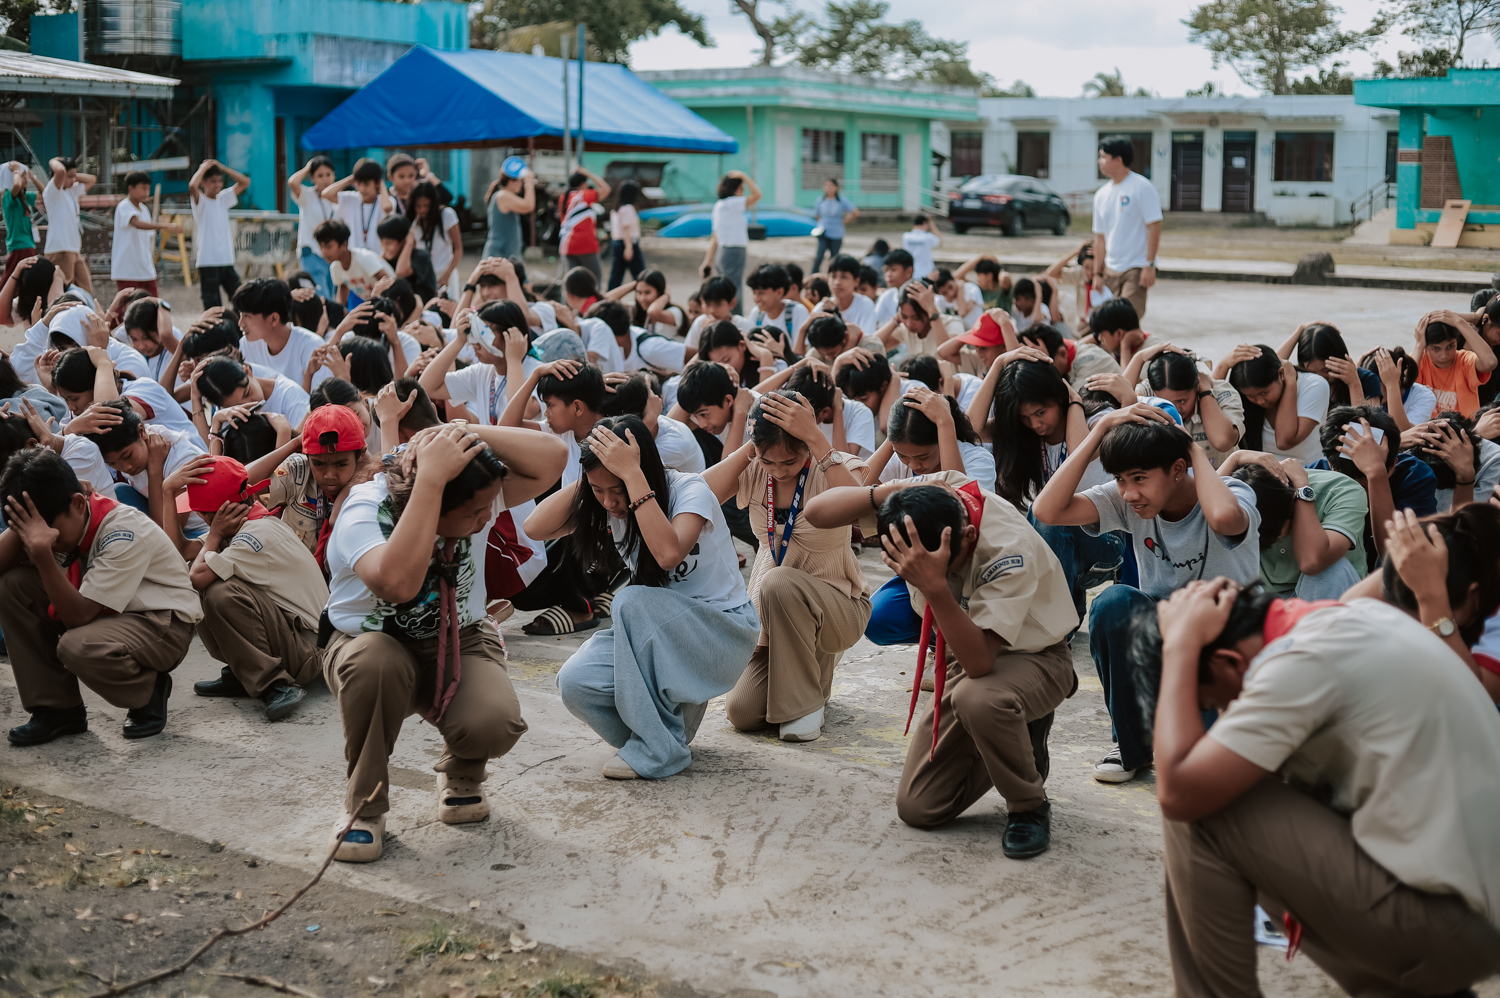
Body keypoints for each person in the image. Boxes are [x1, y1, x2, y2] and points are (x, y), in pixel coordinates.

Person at [1129, 529, 1500, 997]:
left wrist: (1180, 645)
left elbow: (1180, 791)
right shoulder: (1343, 617)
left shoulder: (1299, 663)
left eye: (1211, 701)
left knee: (1200, 807)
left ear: (1225, 664)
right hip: (1473, 921)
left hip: (1449, 927)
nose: (1221, 713)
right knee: (1260, 793)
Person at [322, 422, 566, 862]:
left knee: (494, 722)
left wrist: (455, 431)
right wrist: (430, 482)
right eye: (476, 512)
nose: (486, 519)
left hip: (459, 637)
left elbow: (552, 457)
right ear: (433, 501)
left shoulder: (471, 494)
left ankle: (461, 772)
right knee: (376, 662)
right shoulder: (366, 508)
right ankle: (364, 807)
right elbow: (396, 584)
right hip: (369, 642)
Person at [804, 470, 1079, 858]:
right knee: (920, 807)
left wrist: (934, 587)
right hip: (963, 652)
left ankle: (1028, 805)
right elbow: (816, 512)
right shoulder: (933, 499)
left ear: (966, 537)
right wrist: (895, 493)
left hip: (1034, 656)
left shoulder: (1005, 550)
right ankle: (1014, 733)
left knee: (979, 699)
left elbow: (982, 662)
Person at [1032, 405, 1260, 784]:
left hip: (1226, 633)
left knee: (1202, 769)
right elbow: (1047, 510)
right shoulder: (1127, 500)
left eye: (1139, 478)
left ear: (1177, 468)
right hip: (1164, 624)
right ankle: (1131, 746)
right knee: (1113, 603)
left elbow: (1224, 520)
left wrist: (1195, 451)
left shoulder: (1231, 491)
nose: (1129, 492)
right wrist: (1101, 429)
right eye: (1120, 479)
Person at [531, 416, 760, 780]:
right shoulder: (608, 504)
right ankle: (664, 739)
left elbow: (668, 554)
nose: (609, 501)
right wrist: (596, 474)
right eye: (598, 490)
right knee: (576, 682)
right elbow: (535, 526)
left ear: (641, 469)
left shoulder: (689, 490)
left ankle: (656, 750)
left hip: (722, 634)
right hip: (663, 635)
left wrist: (633, 475)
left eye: (615, 489)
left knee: (629, 601)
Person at [686, 391, 870, 742]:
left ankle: (804, 705)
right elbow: (699, 493)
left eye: (791, 461)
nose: (781, 471)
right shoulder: (756, 468)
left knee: (780, 581)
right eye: (771, 462)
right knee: (742, 713)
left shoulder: (832, 466)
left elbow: (859, 507)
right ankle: (805, 681)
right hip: (771, 609)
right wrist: (751, 447)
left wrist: (816, 437)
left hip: (835, 602)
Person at [0, 448, 202, 745]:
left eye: (50, 530)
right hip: (107, 612)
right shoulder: (61, 512)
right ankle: (58, 710)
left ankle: (148, 689)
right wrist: (23, 531)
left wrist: (42, 553)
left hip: (160, 622)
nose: (42, 538)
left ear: (78, 504)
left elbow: (78, 616)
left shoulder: (122, 531)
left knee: (78, 646)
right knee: (11, 586)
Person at [181, 456, 327, 721]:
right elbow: (181, 549)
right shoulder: (245, 525)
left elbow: (197, 578)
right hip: (297, 640)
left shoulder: (255, 533)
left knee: (219, 591)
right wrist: (167, 490)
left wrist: (213, 536)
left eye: (200, 513)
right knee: (204, 563)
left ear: (213, 516)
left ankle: (274, 684)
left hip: (310, 651)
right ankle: (245, 671)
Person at [1220, 454, 1367, 599]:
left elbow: (1312, 562)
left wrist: (1303, 489)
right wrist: (1236, 457)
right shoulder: (1237, 499)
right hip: (1263, 596)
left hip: (1326, 596)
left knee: (1331, 569)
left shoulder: (1342, 490)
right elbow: (1198, 512)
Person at [1315, 404, 1436, 562]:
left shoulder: (1414, 476)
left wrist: (1376, 474)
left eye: (1362, 485)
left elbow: (1399, 557)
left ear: (1392, 466)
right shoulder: (1317, 474)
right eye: (1348, 483)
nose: (1356, 492)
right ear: (1330, 465)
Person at [1126, 344, 1243, 467]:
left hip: (1222, 479)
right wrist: (1139, 358)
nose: (1174, 409)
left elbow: (1222, 442)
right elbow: (1117, 409)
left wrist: (1206, 393)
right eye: (1165, 401)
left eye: (1181, 401)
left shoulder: (1221, 392)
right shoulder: (1147, 391)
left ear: (1196, 385)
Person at [1219, 344, 1329, 465]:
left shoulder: (1314, 385)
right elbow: (1212, 410)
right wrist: (1223, 366)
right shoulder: (1250, 401)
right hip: (1261, 474)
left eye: (1264, 392)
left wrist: (1290, 383)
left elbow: (1284, 441)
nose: (1260, 401)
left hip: (1311, 471)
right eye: (1250, 396)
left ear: (1282, 374)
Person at [1092, 135, 1161, 319]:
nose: (1100, 161)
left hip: (1135, 267)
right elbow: (1100, 238)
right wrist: (1097, 274)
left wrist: (1150, 265)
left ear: (1118, 159)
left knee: (1127, 321)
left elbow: (1155, 226)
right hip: (1110, 269)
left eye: (1103, 156)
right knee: (1108, 324)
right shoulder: (1101, 195)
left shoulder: (1142, 187)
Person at [232, 278, 331, 390]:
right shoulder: (246, 345)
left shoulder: (311, 346)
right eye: (240, 314)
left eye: (247, 316)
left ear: (274, 319)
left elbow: (321, 402)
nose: (241, 323)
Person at [1278, 321, 1383, 410]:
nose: (1321, 378)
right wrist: (1301, 329)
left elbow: (1370, 429)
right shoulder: (1300, 379)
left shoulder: (1367, 380)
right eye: (1313, 373)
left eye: (1326, 370)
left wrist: (1354, 384)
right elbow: (1272, 368)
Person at [188, 159, 250, 310]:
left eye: (219, 181)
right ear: (204, 183)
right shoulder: (200, 201)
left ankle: (238, 327)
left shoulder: (223, 198)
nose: (217, 184)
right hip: (208, 261)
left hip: (226, 259)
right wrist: (203, 168)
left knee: (240, 297)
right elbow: (192, 186)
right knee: (212, 302)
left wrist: (223, 168)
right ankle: (216, 332)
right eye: (212, 181)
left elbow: (245, 182)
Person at [110, 170, 180, 298]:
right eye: (143, 188)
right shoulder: (124, 206)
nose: (146, 192)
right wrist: (166, 226)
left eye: (148, 188)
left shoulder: (144, 209)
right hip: (127, 269)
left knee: (153, 304)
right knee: (127, 308)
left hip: (145, 267)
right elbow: (137, 223)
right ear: (131, 188)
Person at [700, 171, 761, 314]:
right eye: (742, 187)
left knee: (725, 287)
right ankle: (734, 320)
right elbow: (758, 195)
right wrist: (745, 176)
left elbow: (715, 237)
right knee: (733, 289)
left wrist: (708, 260)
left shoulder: (719, 206)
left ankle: (724, 316)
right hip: (734, 250)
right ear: (738, 188)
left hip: (723, 251)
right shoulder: (733, 203)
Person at [1414, 310, 1496, 417]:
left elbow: (1490, 363)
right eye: (1436, 349)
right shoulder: (1420, 359)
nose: (1444, 355)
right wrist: (1419, 344)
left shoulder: (1464, 361)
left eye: (1450, 346)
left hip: (1464, 431)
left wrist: (1459, 322)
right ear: (1426, 347)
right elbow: (1405, 384)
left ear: (1456, 342)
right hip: (1427, 432)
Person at [42, 156, 97, 297]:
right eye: (70, 176)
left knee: (86, 291)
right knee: (61, 294)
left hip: (73, 249)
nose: (73, 180)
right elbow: (60, 171)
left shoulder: (71, 191)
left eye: (74, 176)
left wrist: (72, 175)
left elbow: (92, 179)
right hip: (60, 250)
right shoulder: (53, 191)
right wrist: (52, 161)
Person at [287, 156, 339, 298]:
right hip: (312, 252)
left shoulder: (339, 197)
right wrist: (308, 167)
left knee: (332, 296)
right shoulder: (307, 195)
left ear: (334, 175)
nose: (325, 179)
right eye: (319, 175)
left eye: (328, 174)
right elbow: (292, 182)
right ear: (312, 178)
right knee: (320, 296)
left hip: (333, 255)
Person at [316, 219, 395, 308]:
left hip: (391, 301)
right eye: (321, 246)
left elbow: (388, 281)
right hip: (375, 303)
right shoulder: (335, 267)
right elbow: (343, 287)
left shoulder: (364, 258)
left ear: (344, 245)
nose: (324, 251)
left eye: (328, 246)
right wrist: (340, 309)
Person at [324, 158, 393, 256]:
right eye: (358, 183)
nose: (362, 188)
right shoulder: (351, 198)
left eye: (366, 184)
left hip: (378, 257)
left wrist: (382, 186)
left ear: (377, 183)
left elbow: (387, 208)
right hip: (354, 257)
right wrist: (350, 179)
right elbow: (326, 194)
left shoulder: (384, 200)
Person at [406, 182, 462, 299]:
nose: (422, 210)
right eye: (418, 206)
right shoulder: (413, 223)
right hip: (425, 278)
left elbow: (458, 249)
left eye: (426, 205)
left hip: (446, 274)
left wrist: (447, 275)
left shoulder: (447, 215)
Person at [559, 168, 613, 282]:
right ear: (583, 184)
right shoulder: (583, 196)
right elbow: (606, 189)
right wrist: (589, 174)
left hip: (567, 245)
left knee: (572, 281)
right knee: (594, 278)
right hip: (585, 245)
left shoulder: (564, 197)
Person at [482, 159, 534, 263]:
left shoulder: (503, 195)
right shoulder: (503, 196)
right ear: (511, 182)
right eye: (520, 180)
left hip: (507, 255)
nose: (521, 184)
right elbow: (528, 206)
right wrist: (529, 183)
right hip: (500, 256)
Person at [744, 264, 810, 342]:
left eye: (761, 293)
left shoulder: (797, 311)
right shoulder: (756, 314)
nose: (756, 298)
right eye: (754, 293)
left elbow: (801, 352)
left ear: (779, 292)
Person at [1, 162, 38, 288]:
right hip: (19, 246)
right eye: (22, 176)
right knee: (8, 283)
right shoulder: (7, 197)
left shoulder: (26, 197)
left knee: (23, 283)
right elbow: (16, 185)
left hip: (27, 245)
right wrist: (16, 171)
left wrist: (33, 178)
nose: (25, 178)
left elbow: (44, 194)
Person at [811, 178, 858, 273]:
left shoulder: (841, 201)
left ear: (836, 188)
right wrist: (822, 223)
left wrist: (845, 221)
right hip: (823, 232)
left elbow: (855, 212)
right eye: (826, 186)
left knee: (834, 258)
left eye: (831, 186)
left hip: (836, 233)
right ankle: (813, 276)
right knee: (819, 256)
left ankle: (832, 276)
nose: (829, 188)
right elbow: (816, 215)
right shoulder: (820, 200)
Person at [607, 179, 645, 291]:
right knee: (640, 274)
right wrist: (629, 247)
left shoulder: (616, 209)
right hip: (627, 243)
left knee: (616, 275)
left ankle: (610, 296)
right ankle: (646, 292)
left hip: (617, 242)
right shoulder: (628, 208)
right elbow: (626, 229)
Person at [874, 249, 914, 328]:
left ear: (909, 271)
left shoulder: (918, 294)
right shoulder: (887, 295)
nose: (888, 274)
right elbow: (877, 323)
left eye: (893, 269)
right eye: (886, 270)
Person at [901, 215, 940, 281]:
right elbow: (940, 240)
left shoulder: (906, 236)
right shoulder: (928, 237)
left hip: (910, 273)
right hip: (927, 273)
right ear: (925, 223)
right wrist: (931, 224)